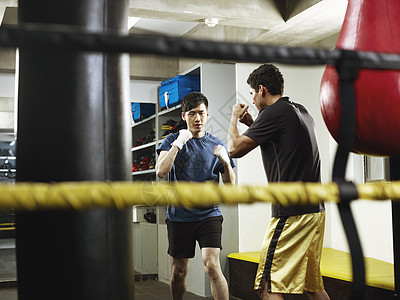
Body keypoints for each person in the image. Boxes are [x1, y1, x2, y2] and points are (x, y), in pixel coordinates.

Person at [227, 64, 330, 300]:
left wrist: (233, 119)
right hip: (315, 211)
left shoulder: (273, 114)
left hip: (291, 214)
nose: (252, 99)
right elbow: (278, 140)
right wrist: (252, 124)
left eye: (252, 93)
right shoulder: (300, 111)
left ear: (261, 89)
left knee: (267, 286)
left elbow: (234, 149)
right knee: (313, 286)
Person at [156, 91, 236, 300]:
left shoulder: (216, 144)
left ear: (207, 114)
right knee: (178, 272)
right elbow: (160, 171)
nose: (197, 118)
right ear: (184, 116)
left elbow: (230, 185)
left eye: (201, 113)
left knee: (212, 265)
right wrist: (177, 144)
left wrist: (226, 162)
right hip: (179, 216)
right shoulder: (172, 139)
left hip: (209, 214)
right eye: (192, 113)